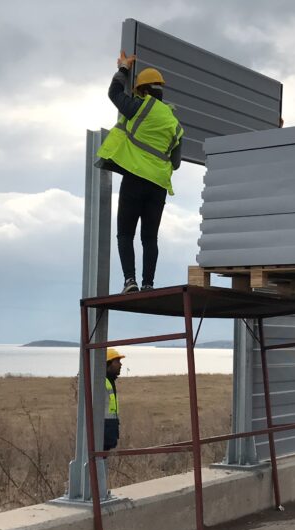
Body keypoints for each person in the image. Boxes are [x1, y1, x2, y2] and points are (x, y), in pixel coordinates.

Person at [97, 50, 184, 294]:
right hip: (158, 186)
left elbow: (114, 93)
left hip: (135, 179)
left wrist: (123, 68)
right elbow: (176, 162)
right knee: (150, 238)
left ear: (142, 91)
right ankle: (148, 284)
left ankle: (130, 281)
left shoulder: (139, 107)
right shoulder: (174, 123)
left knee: (125, 233)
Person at [103, 348, 125, 451]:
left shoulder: (109, 381)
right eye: (117, 361)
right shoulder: (101, 382)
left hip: (108, 431)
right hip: (103, 431)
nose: (120, 365)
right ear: (108, 363)